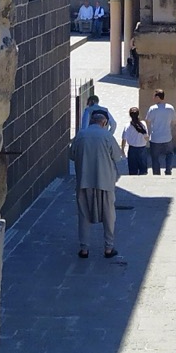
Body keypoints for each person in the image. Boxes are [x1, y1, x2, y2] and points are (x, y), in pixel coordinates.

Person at [70, 107, 124, 258]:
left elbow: (72, 155)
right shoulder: (107, 136)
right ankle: (108, 247)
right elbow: (117, 157)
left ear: (91, 121)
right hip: (104, 181)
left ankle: (84, 249)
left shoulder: (80, 135)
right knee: (109, 215)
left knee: (83, 215)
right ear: (104, 122)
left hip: (84, 181)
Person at [145, 89, 176, 174]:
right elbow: (174, 121)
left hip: (155, 138)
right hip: (167, 137)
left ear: (158, 97)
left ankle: (156, 173)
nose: (153, 98)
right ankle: (168, 170)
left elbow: (147, 120)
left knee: (155, 157)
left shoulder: (153, 109)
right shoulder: (170, 108)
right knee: (169, 154)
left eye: (154, 96)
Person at [122, 106, 150, 176]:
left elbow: (124, 139)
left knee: (133, 170)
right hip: (142, 148)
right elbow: (146, 137)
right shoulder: (143, 124)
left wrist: (122, 150)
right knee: (143, 170)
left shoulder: (127, 126)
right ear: (138, 114)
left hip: (132, 149)